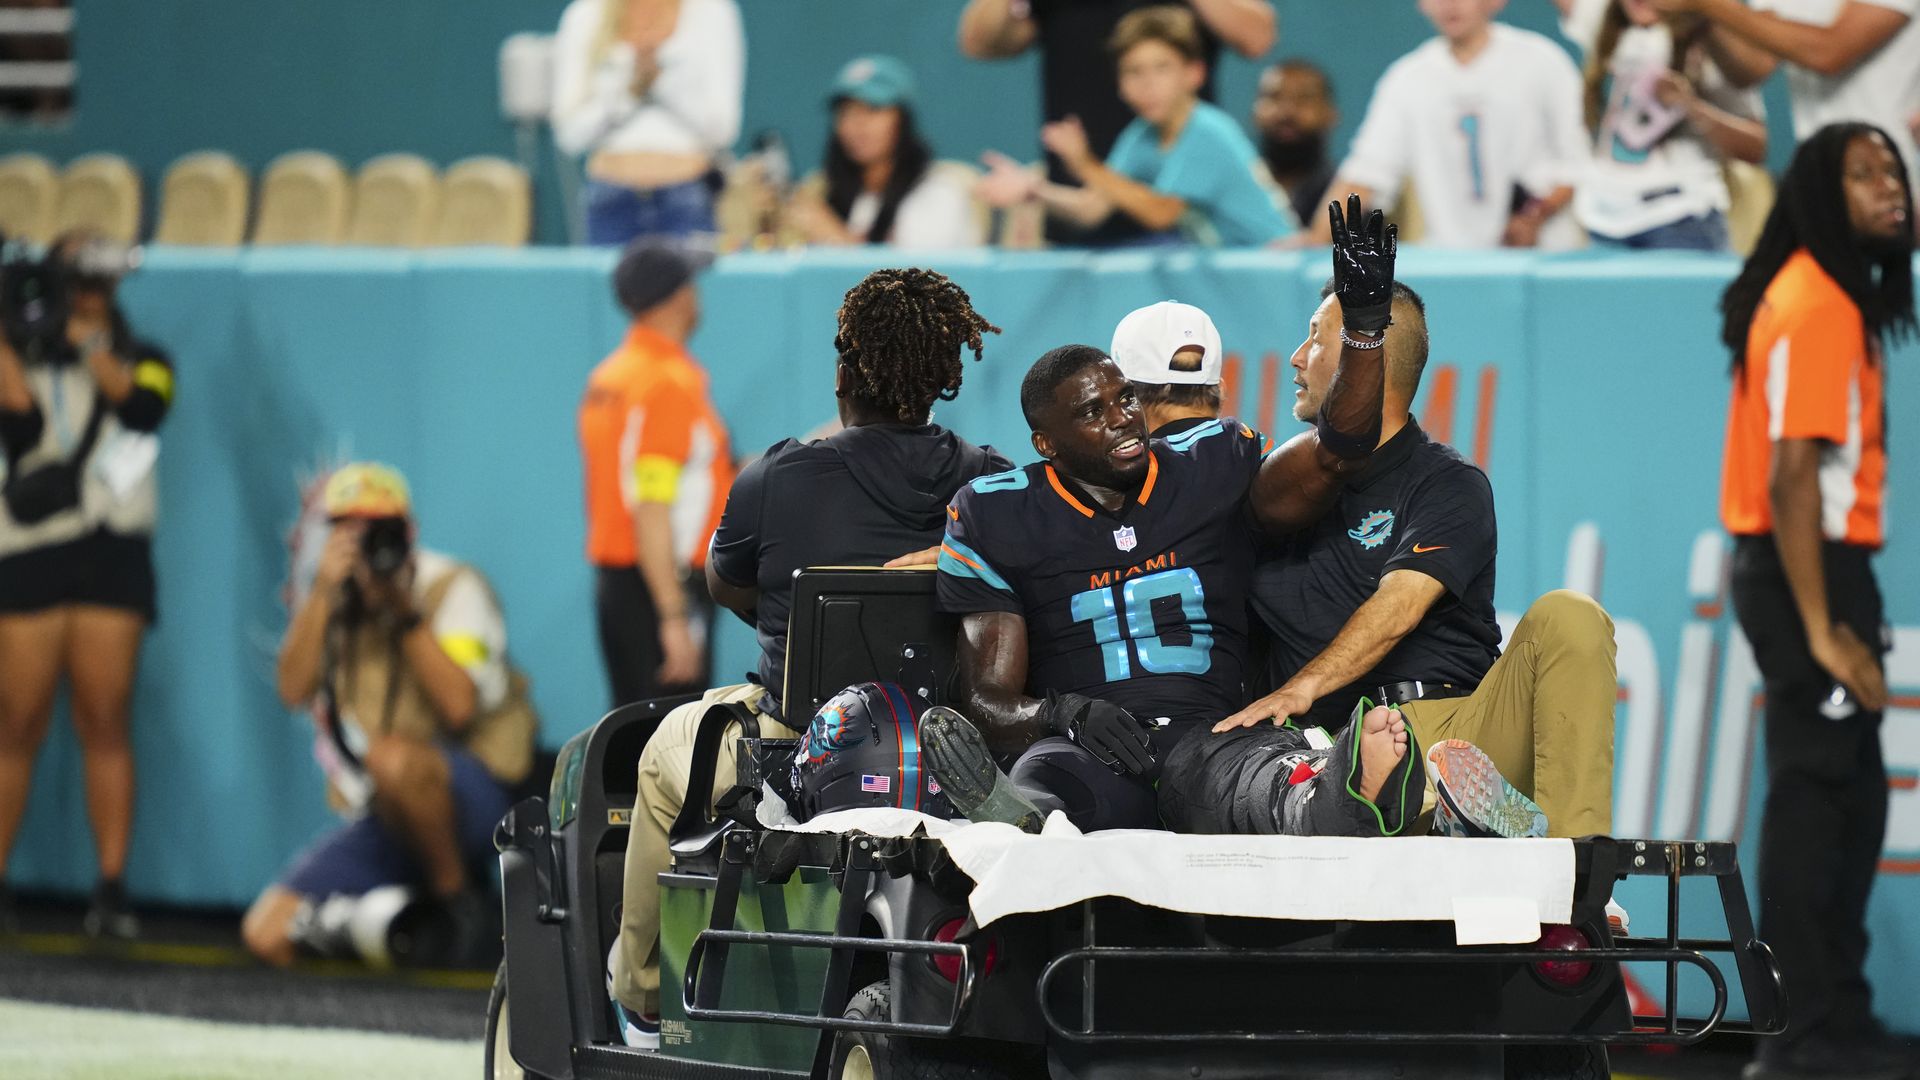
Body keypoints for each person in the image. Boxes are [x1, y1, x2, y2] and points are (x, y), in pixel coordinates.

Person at [607, 268, 1011, 1048]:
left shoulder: (776, 477)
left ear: (842, 373)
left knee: (663, 759)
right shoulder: (993, 480)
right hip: (957, 746)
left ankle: (646, 1001)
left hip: (797, 744)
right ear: (938, 380)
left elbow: (726, 583)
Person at [917, 195, 1397, 838]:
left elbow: (1338, 451)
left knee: (1260, 781)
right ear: (1046, 444)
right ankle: (1026, 822)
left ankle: (1336, 797)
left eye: (1125, 400)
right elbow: (985, 700)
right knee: (1052, 789)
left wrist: (1364, 330)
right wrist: (1067, 714)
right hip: (1085, 745)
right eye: (1093, 413)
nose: (1120, 419)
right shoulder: (997, 513)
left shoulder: (1212, 463)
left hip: (1209, 736)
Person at [1221, 280, 1618, 840]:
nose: (1295, 357)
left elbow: (1401, 604)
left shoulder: (1448, 483)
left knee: (1570, 615)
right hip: (1333, 752)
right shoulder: (1275, 492)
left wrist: (1301, 686)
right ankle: (1457, 824)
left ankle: (1571, 874)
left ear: (1366, 357)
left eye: (1314, 338)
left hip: (1459, 731)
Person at [1715, 123, 1913, 1080]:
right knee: (1818, 796)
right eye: (1863, 174)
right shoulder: (1819, 302)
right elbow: (1796, 475)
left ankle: (1834, 1013)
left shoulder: (1822, 294)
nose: (1891, 188)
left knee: (1848, 796)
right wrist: (1825, 629)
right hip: (1808, 570)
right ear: (1818, 196)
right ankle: (1798, 1037)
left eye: (1894, 172)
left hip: (1817, 569)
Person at [242, 463, 539, 968]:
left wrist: (402, 611)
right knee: (266, 931)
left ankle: (459, 905)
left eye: (378, 530)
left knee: (392, 759)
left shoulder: (451, 585)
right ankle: (407, 921)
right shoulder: (332, 600)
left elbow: (459, 707)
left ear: (409, 532)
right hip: (390, 807)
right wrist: (320, 595)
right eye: (348, 532)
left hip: (477, 793)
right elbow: (293, 690)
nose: (364, 547)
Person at [0, 236, 169, 938]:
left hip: (111, 553)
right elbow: (20, 422)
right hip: (31, 550)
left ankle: (110, 888)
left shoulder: (144, 354)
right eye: (75, 285)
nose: (86, 295)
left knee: (105, 717)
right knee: (16, 723)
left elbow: (144, 409)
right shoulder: (18, 352)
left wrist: (91, 341)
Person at [957, 0, 1277, 245]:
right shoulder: (1140, 137)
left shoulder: (1207, 130)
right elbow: (1090, 208)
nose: (1147, 84)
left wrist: (1086, 165)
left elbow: (1160, 212)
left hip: (1269, 264)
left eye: (1161, 68)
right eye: (1133, 72)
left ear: (1195, 73)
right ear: (1118, 82)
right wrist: (1034, 190)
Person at [579, 238, 735, 708]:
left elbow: (677, 477)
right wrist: (673, 617)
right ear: (678, 296)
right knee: (667, 751)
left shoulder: (613, 376)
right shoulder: (666, 384)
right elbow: (652, 505)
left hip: (625, 585)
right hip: (661, 590)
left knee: (633, 740)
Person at [1311, 0, 1587, 249]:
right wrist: (1316, 238)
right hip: (1453, 260)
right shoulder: (1407, 79)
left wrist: (1535, 215)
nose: (1449, 4)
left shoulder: (1542, 61)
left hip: (1544, 256)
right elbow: (1366, 172)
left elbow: (1580, 160)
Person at [1556, 0, 1767, 250]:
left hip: (1681, 215)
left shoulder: (1713, 47)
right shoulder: (1604, 24)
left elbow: (1756, 147)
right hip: (1605, 216)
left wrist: (1691, 106)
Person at [1651, 0, 1920, 186]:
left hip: (1885, 170)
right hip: (1809, 169)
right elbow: (1756, 67)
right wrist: (1703, 17)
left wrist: (1711, 5)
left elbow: (1829, 53)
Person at [550, 0, 745, 245]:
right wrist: (629, 90)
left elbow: (723, 130)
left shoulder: (713, 11)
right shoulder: (585, 14)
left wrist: (660, 82)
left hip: (686, 200)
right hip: (610, 202)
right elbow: (569, 134)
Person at [786, 56, 985, 249]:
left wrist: (834, 237)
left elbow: (918, 279)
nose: (857, 124)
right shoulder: (835, 191)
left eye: (872, 109)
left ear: (902, 119)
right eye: (846, 112)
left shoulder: (938, 193)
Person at [1253, 59, 1341, 228]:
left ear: (1331, 115)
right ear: (1255, 113)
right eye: (1274, 97)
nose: (1287, 111)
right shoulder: (1233, 191)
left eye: (1304, 98)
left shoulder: (1349, 198)